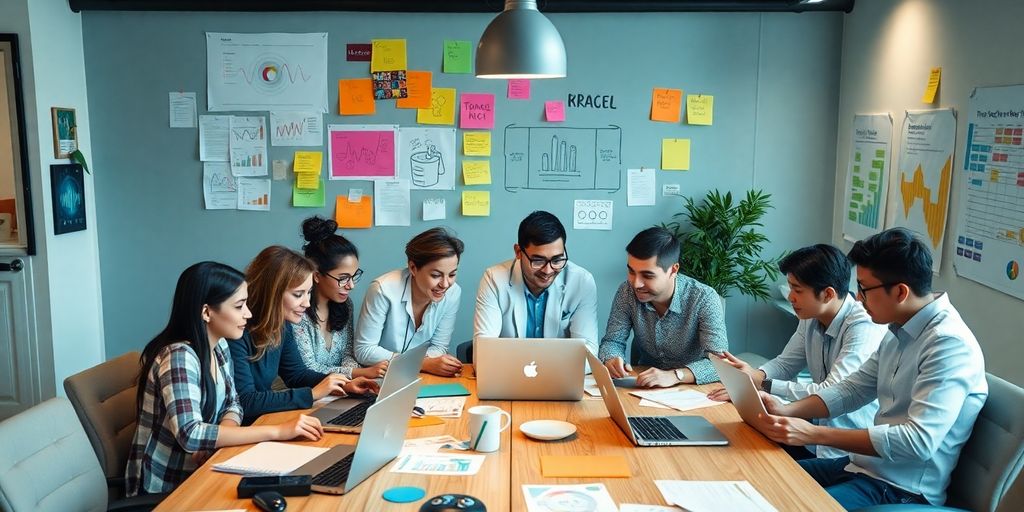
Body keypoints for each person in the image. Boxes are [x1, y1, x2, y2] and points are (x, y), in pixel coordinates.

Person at [754, 228, 987, 508]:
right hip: (864, 466)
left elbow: (918, 441)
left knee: (787, 504)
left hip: (901, 487)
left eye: (864, 289)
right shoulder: (898, 328)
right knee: (760, 478)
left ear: (900, 291)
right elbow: (852, 390)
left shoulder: (948, 344)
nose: (858, 298)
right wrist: (787, 410)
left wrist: (813, 433)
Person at [125, 262, 324, 496]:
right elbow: (191, 434)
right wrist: (278, 431)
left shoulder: (218, 345)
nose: (248, 314)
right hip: (171, 485)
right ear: (207, 312)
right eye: (239, 306)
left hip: (209, 467)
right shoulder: (179, 357)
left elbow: (234, 402)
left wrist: (218, 438)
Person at [707, 244, 886, 459]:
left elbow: (832, 391)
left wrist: (762, 383)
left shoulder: (863, 327)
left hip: (843, 450)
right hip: (809, 436)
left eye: (797, 290)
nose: (791, 297)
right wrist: (755, 377)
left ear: (828, 294)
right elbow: (785, 363)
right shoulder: (810, 315)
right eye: (790, 287)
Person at [229, 246, 378, 425]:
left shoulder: (282, 325)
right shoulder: (236, 333)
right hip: (248, 428)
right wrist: (313, 394)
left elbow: (297, 375)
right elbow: (245, 401)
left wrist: (341, 384)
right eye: (298, 295)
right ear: (271, 292)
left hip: (264, 421)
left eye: (308, 293)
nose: (307, 303)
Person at [598, 226, 727, 387]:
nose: (636, 283)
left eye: (648, 275)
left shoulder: (704, 297)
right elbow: (612, 341)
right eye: (631, 272)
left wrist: (675, 375)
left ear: (673, 270)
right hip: (645, 385)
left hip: (694, 387)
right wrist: (612, 358)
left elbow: (720, 363)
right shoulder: (626, 291)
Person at [474, 211, 598, 356]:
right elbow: (483, 351)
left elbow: (589, 352)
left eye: (557, 260)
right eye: (538, 261)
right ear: (518, 252)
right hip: (509, 377)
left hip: (559, 377)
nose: (548, 270)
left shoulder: (582, 282)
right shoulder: (494, 279)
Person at [354, 227, 465, 377]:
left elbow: (439, 346)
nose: (445, 284)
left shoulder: (453, 292)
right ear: (413, 268)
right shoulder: (383, 290)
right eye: (436, 275)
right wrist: (422, 363)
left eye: (452, 274)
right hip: (380, 377)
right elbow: (364, 350)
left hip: (423, 376)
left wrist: (426, 364)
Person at [296, 216, 388, 379]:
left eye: (354, 276)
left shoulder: (345, 305)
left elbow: (347, 355)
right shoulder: (298, 311)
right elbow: (308, 368)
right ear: (317, 275)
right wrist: (359, 372)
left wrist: (360, 376)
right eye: (343, 278)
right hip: (305, 393)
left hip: (339, 389)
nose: (351, 285)